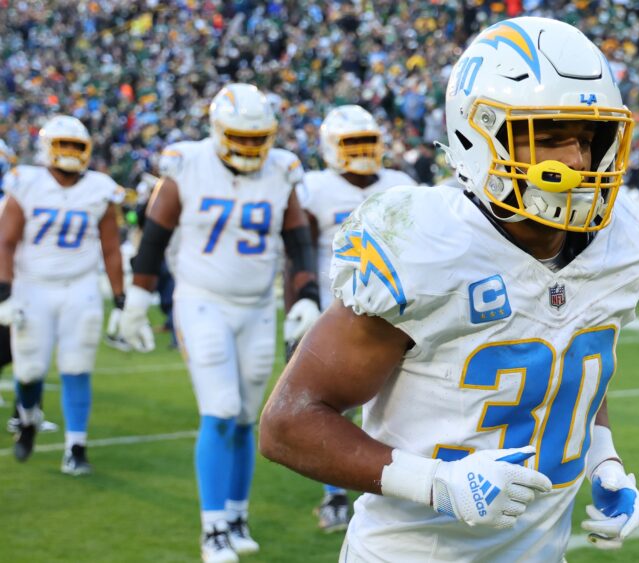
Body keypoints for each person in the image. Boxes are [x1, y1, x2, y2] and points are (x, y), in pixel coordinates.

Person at [259, 17, 639, 562]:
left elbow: (570, 359)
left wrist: (604, 460)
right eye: (545, 137)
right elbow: (288, 424)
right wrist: (435, 483)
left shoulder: (621, 242)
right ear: (480, 135)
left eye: (586, 138)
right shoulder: (428, 245)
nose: (574, 160)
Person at [115, 84, 320, 563]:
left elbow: (298, 242)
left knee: (248, 416)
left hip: (255, 307)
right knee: (222, 407)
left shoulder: (282, 171)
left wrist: (306, 296)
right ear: (217, 130)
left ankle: (235, 516)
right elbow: (154, 235)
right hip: (201, 298)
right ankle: (212, 529)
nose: (250, 148)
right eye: (240, 137)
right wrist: (137, 299)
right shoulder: (187, 164)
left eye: (258, 138)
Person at [298, 104, 416, 533]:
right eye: (353, 144)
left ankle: (393, 485)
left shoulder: (401, 184)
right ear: (331, 148)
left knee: (397, 405)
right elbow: (300, 247)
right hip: (337, 316)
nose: (363, 152)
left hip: (396, 316)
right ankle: (334, 494)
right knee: (333, 410)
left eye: (368, 142)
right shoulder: (314, 188)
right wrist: (303, 297)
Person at [0, 115, 125, 474]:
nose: (70, 153)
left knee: (77, 367)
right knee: (29, 370)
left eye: (76, 147)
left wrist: (120, 298)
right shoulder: (27, 183)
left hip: (80, 287)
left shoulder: (99, 187)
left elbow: (111, 248)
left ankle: (76, 446)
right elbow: (5, 241)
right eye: (63, 146)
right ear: (46, 149)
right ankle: (27, 419)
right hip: (32, 286)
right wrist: (5, 291)